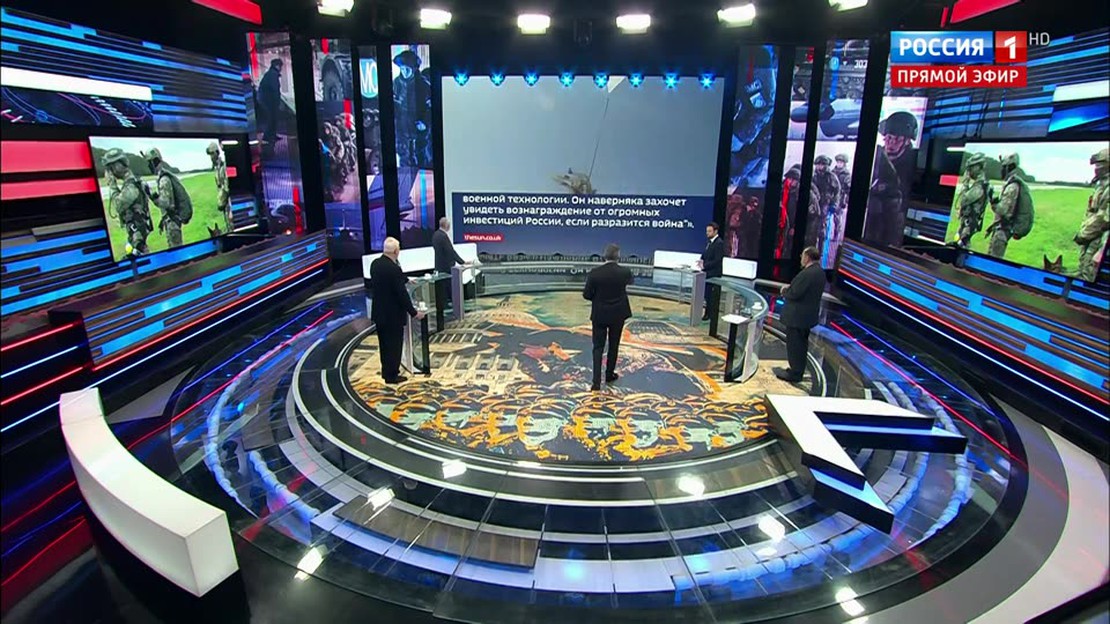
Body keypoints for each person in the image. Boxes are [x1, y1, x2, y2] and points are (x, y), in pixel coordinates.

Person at [370, 237, 426, 384]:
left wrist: (405, 279)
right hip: (392, 315)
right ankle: (392, 375)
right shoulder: (394, 269)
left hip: (379, 313)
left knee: (384, 345)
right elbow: (402, 294)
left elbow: (389, 279)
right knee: (394, 346)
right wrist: (414, 313)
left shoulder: (375, 264)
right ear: (396, 251)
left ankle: (386, 372)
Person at [583, 244, 633, 391]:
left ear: (604, 255)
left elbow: (587, 294)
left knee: (598, 347)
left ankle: (596, 382)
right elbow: (630, 282)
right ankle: (609, 374)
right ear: (618, 256)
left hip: (600, 315)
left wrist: (598, 298)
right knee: (613, 345)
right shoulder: (625, 272)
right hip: (618, 315)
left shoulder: (595, 273)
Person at [864, 111, 918, 247]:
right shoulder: (877, 157)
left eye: (897, 139)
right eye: (888, 138)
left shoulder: (912, 165)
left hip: (892, 229)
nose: (891, 144)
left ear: (907, 141)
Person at [775, 246, 827, 383]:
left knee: (795, 345)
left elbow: (795, 293)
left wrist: (784, 291)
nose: (801, 258)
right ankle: (798, 370)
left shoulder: (807, 273)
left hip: (797, 317)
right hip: (806, 317)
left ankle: (795, 373)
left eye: (802, 255)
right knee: (801, 345)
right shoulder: (820, 272)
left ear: (807, 257)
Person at [103, 148, 152, 256]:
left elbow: (118, 206)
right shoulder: (134, 182)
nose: (110, 172)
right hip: (137, 234)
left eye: (111, 167)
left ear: (118, 166)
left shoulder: (131, 187)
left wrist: (112, 184)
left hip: (137, 237)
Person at [986, 153, 1033, 258]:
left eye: (1003, 167)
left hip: (1002, 232)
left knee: (993, 260)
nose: (1001, 170)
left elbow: (1003, 210)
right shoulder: (1011, 184)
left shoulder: (1012, 187)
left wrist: (993, 202)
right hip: (1002, 229)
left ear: (1008, 167)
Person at [143, 147, 192, 248]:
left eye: (149, 162)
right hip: (171, 220)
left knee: (176, 250)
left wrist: (152, 196)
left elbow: (165, 203)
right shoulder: (164, 177)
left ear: (154, 162)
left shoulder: (164, 180)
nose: (148, 166)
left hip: (172, 223)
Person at [1075, 147, 1109, 282]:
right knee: (1084, 271)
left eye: (1099, 164)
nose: (1096, 168)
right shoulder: (1101, 185)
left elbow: (1104, 218)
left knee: (1090, 277)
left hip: (1100, 241)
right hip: (1092, 239)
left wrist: (1083, 234)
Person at [432, 217, 470, 318]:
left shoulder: (436, 234)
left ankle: (445, 305)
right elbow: (450, 252)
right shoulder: (443, 236)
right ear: (447, 225)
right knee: (448, 286)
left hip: (439, 265)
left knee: (443, 287)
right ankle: (452, 307)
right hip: (446, 266)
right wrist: (462, 262)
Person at [954, 152, 990, 249]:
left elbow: (964, 200)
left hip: (969, 225)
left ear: (979, 167)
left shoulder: (979, 187)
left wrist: (965, 182)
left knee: (961, 247)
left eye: (972, 167)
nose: (969, 170)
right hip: (967, 223)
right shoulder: (980, 184)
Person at [809, 155, 841, 251]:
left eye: (822, 164)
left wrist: (834, 204)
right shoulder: (814, 176)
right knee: (812, 229)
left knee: (822, 229)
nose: (819, 167)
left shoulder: (831, 177)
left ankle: (821, 249)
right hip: (814, 204)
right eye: (818, 164)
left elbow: (837, 191)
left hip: (825, 205)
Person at [698, 222, 725, 321]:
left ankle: (710, 315)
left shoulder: (719, 243)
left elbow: (717, 260)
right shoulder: (710, 242)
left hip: (714, 275)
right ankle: (707, 313)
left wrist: (705, 265)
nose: (707, 233)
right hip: (708, 273)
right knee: (707, 295)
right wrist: (701, 260)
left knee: (711, 297)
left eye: (709, 231)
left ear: (715, 231)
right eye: (707, 231)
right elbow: (705, 254)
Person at [257, 58, 283, 151]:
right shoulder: (272, 75)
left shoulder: (271, 74)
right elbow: (274, 90)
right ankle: (267, 138)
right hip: (268, 101)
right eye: (280, 66)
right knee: (271, 118)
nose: (281, 68)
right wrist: (277, 102)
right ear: (277, 66)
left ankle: (271, 135)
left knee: (272, 118)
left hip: (266, 100)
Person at [207, 141, 231, 232]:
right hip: (225, 205)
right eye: (210, 154)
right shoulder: (216, 168)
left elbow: (227, 188)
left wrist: (221, 203)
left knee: (231, 226)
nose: (211, 157)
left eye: (212, 154)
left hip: (229, 203)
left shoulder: (223, 167)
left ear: (217, 153)